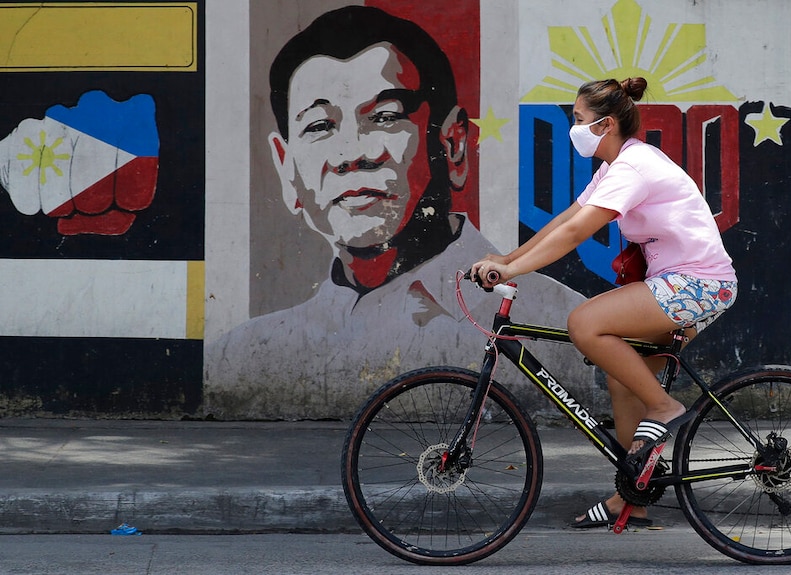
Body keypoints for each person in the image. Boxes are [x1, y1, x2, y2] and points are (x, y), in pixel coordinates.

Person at [204, 6, 593, 421]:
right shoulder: (244, 353)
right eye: (319, 126)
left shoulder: (559, 325)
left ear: (453, 145)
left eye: (386, 117)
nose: (351, 154)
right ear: (287, 169)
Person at [471, 77, 738, 528]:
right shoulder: (615, 167)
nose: (573, 127)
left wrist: (513, 272)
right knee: (622, 380)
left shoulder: (632, 168)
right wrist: (507, 258)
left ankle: (665, 408)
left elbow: (577, 234)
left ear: (606, 124)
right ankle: (633, 495)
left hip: (697, 284)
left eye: (578, 119)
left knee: (585, 323)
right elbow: (566, 219)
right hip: (681, 284)